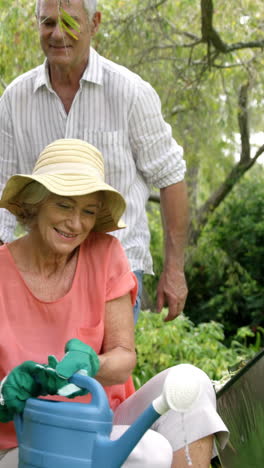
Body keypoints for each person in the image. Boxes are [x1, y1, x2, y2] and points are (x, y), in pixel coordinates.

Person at [0, 139, 228, 468]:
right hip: (24, 441)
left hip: (101, 423)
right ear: (35, 205)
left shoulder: (105, 253)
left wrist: (90, 364)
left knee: (189, 384)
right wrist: (7, 390)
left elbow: (124, 356)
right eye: (64, 206)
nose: (75, 224)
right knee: (150, 452)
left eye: (88, 212)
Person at [0, 0, 189, 323]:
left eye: (70, 23)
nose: (58, 34)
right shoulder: (15, 99)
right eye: (48, 23)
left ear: (95, 23)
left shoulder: (131, 93)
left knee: (105, 369)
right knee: (39, 369)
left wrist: (174, 269)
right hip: (40, 272)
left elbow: (171, 177)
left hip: (116, 267)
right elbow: (3, 188)